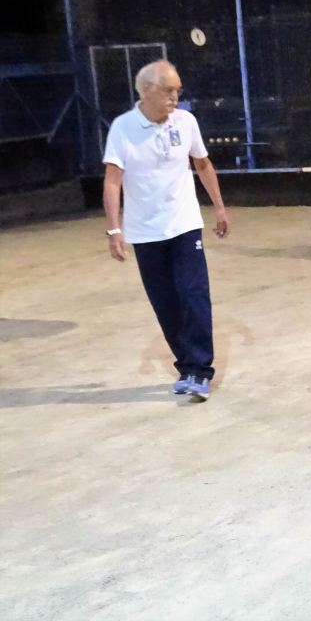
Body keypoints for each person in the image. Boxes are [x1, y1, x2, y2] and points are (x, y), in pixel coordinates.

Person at [102, 60, 229, 402]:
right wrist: (114, 229)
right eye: (168, 90)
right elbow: (113, 180)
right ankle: (186, 366)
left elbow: (202, 163)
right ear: (146, 90)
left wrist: (219, 206)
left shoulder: (186, 122)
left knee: (193, 294)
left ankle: (200, 370)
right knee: (165, 302)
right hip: (145, 232)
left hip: (185, 224)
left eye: (178, 90)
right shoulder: (123, 127)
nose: (175, 97)